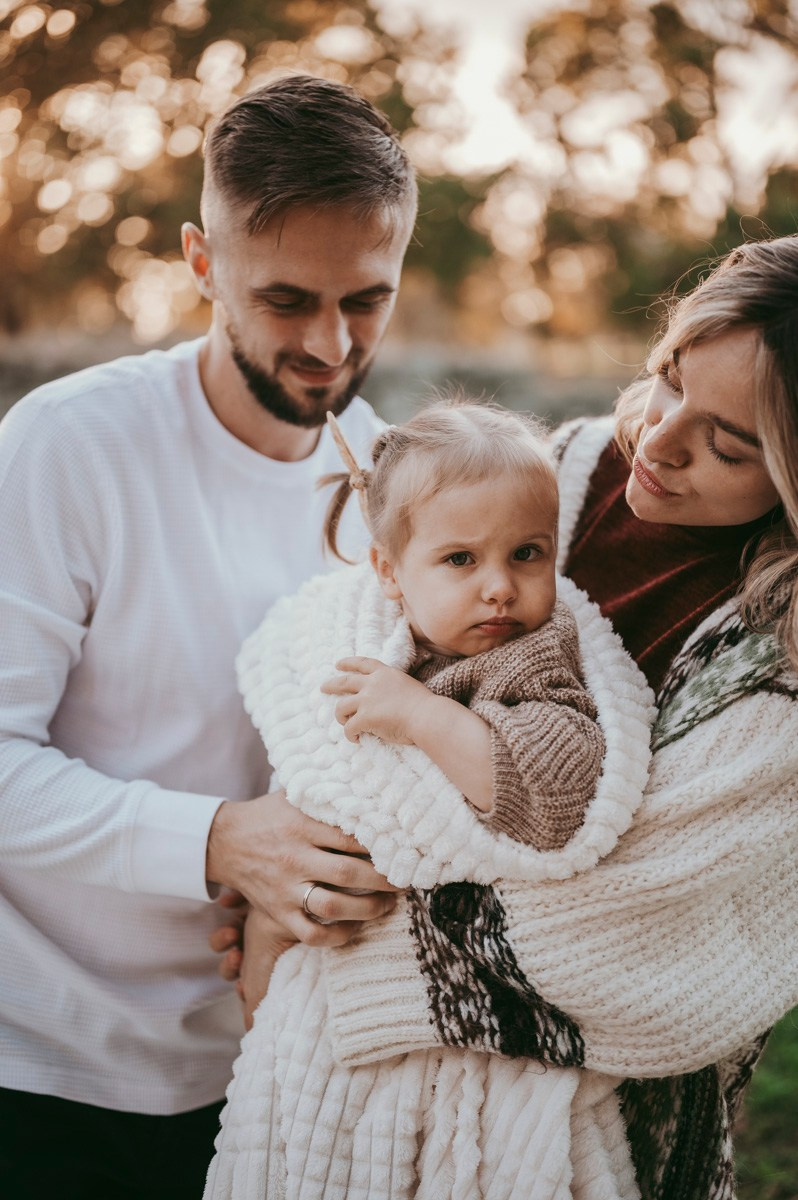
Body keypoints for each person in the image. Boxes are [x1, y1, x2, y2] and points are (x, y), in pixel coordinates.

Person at [219, 235, 798, 1199]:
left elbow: (643, 930)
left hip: (576, 1119)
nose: (656, 440)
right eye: (668, 380)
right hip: (344, 1063)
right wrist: (289, 863)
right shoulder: (562, 472)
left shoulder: (777, 665)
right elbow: (364, 631)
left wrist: (334, 943)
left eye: (728, 443)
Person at [0, 75, 417, 1199]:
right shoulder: (65, 447)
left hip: (275, 1076)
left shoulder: (390, 482)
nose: (331, 345)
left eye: (367, 300)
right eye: (287, 299)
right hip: (41, 1074)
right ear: (200, 263)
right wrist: (221, 841)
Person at [204, 400, 656, 1199]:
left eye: (527, 553)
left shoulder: (534, 657)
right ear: (388, 572)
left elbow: (548, 796)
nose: (498, 588)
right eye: (459, 560)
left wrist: (420, 717)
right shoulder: (365, 627)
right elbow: (315, 757)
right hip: (313, 975)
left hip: (439, 1002)